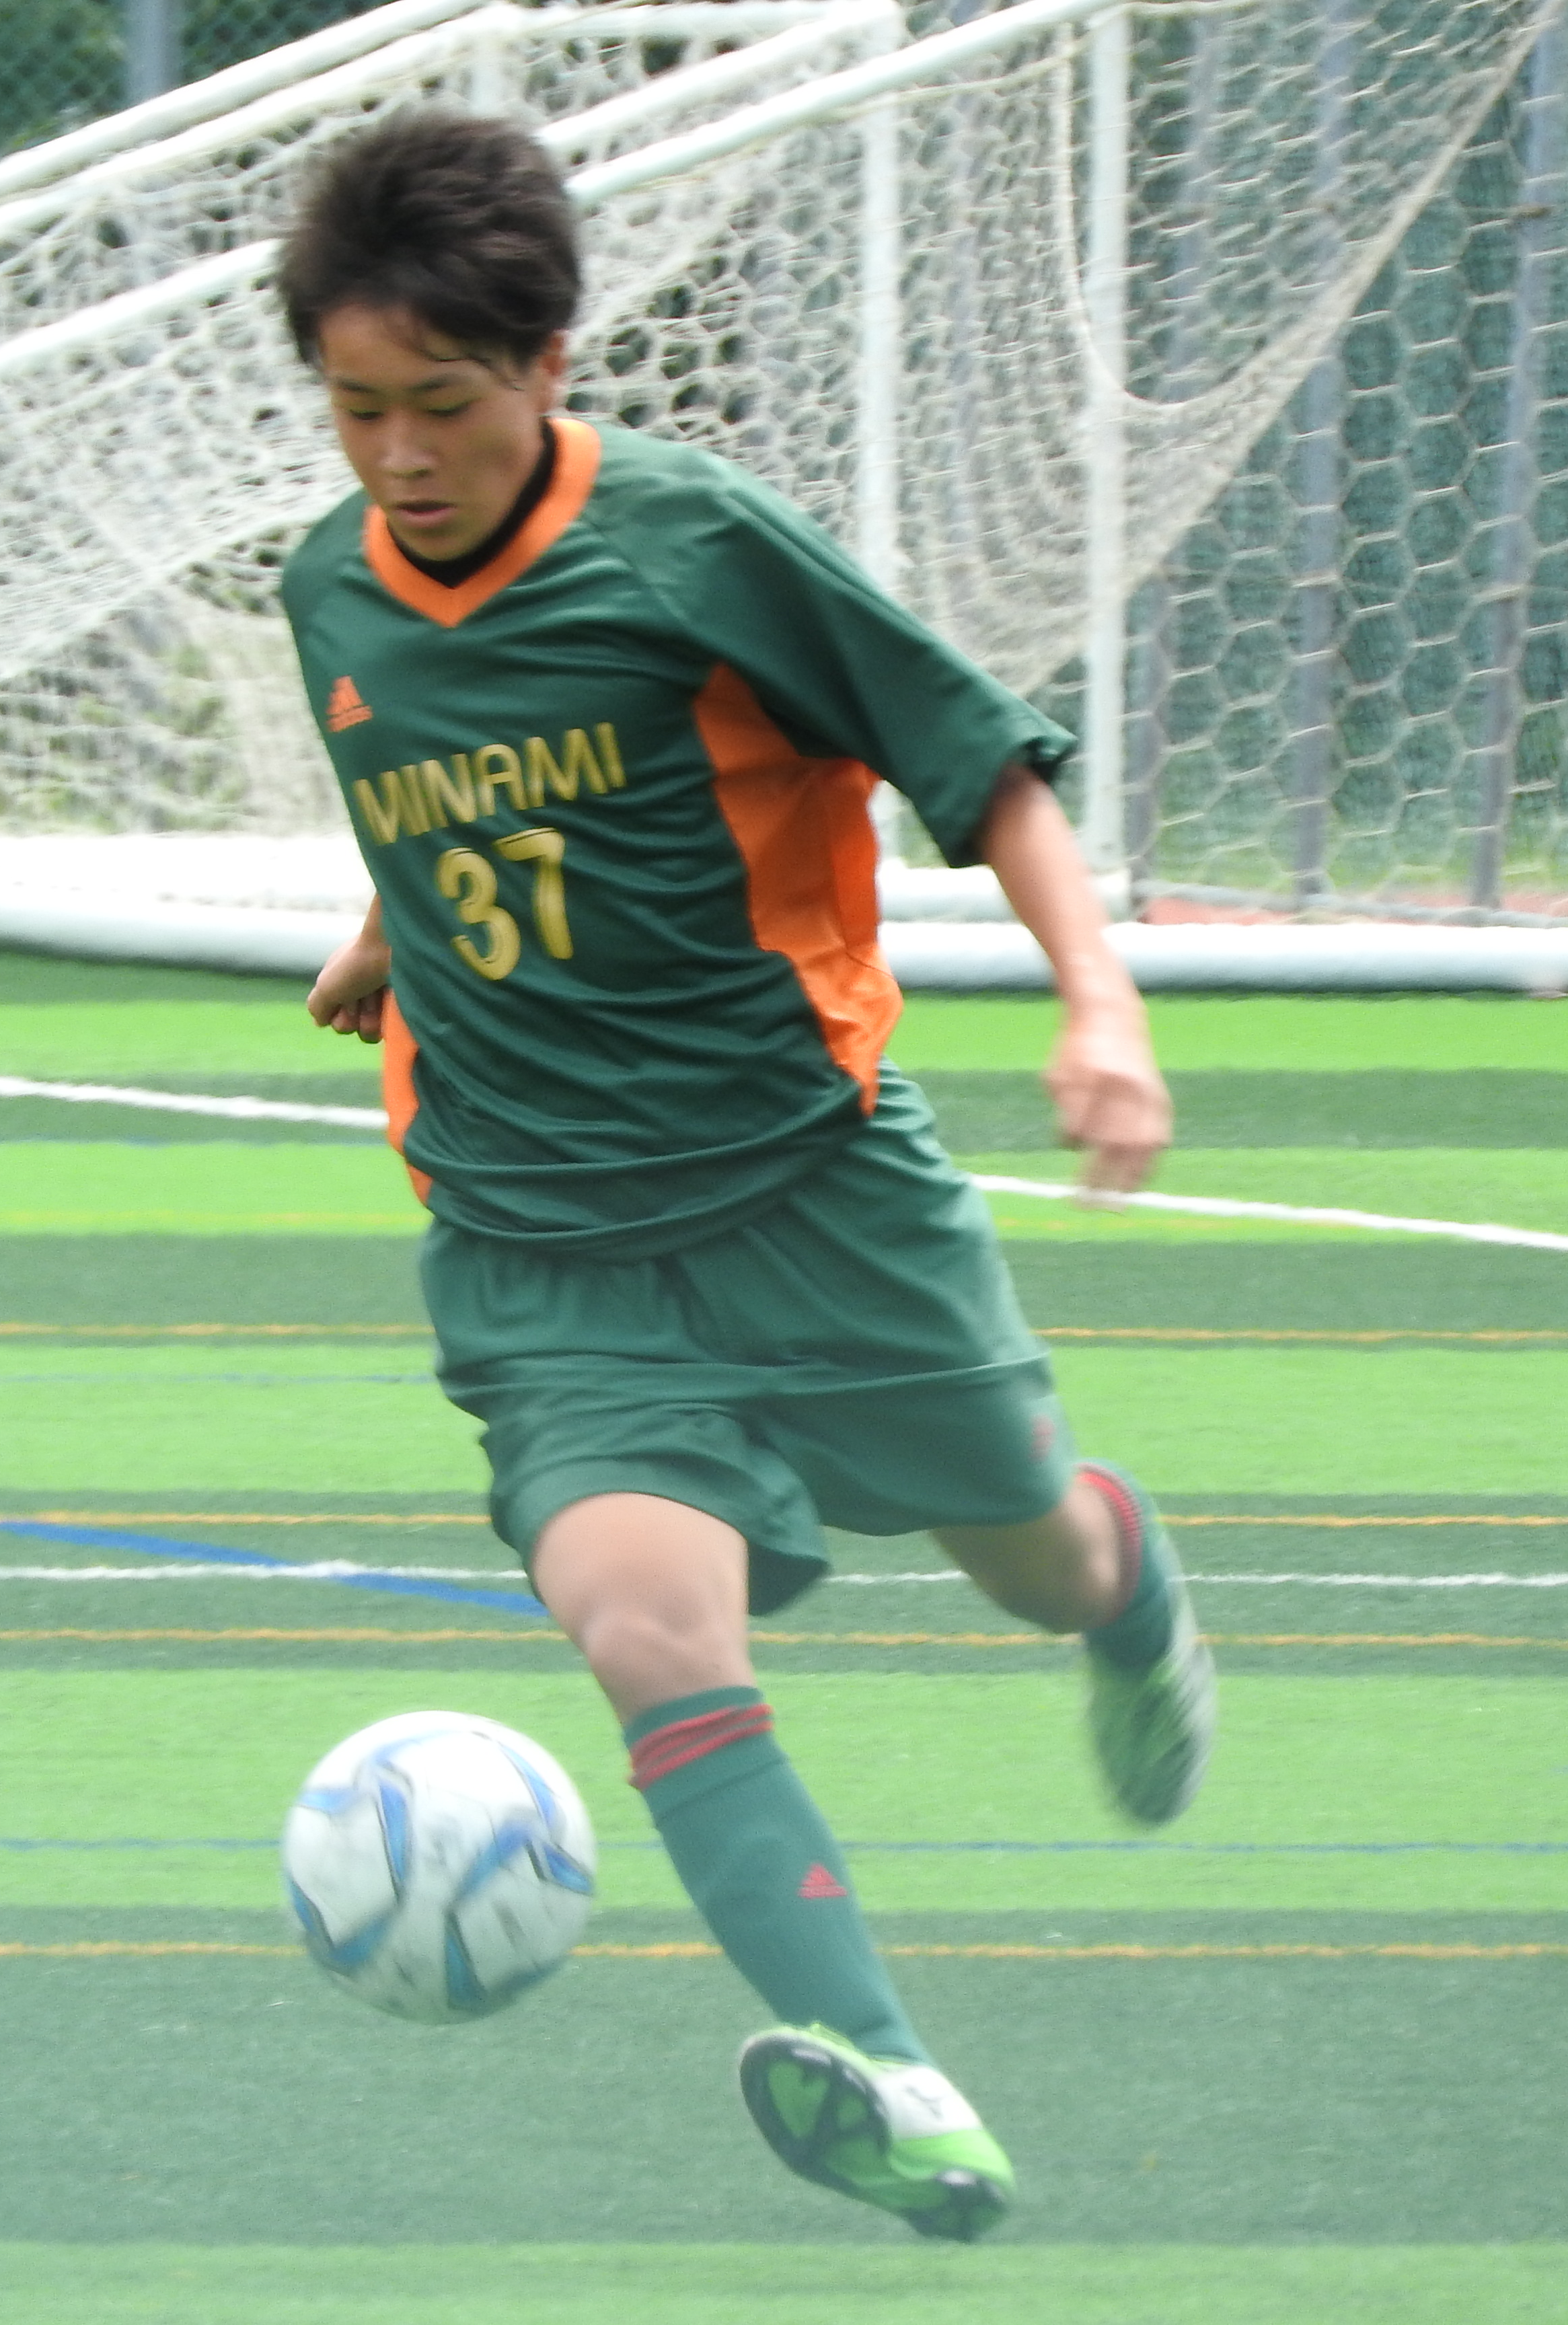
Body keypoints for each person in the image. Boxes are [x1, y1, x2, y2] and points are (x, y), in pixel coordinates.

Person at [279, 114, 1215, 2240]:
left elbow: (982, 764)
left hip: (816, 1192)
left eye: (444, 403)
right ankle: (893, 2076)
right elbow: (464, 786)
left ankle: (1127, 1581)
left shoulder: (695, 546)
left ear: (550, 365)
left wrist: (1103, 1010)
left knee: (1035, 1565)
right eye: (357, 408)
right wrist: (396, 923)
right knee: (647, 1631)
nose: (400, 456)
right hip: (541, 1250)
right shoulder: (327, 586)